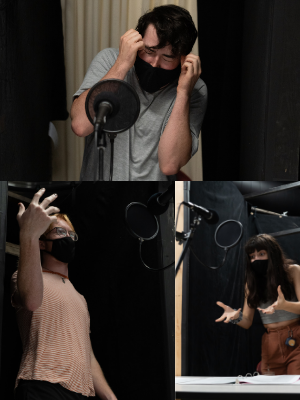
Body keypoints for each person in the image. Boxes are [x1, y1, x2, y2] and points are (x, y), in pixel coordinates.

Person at [71, 4, 207, 181]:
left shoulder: (195, 89)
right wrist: (122, 64)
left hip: (149, 197)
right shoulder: (109, 60)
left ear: (183, 58)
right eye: (149, 51)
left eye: (167, 58)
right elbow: (80, 126)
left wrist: (183, 92)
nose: (154, 63)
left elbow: (169, 165)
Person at [11, 188, 117, 400]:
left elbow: (87, 354)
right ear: (42, 242)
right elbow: (31, 301)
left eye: (71, 235)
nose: (67, 238)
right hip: (43, 385)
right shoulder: (24, 276)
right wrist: (29, 233)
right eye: (60, 232)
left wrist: (110, 397)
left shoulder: (80, 298)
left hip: (80, 393)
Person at [216, 234, 300, 375]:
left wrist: (284, 305)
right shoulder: (252, 282)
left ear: (272, 253)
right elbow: (247, 322)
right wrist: (235, 317)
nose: (256, 259)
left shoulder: (292, 271)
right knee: (271, 391)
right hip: (270, 342)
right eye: (252, 256)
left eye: (261, 254)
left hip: (296, 337)